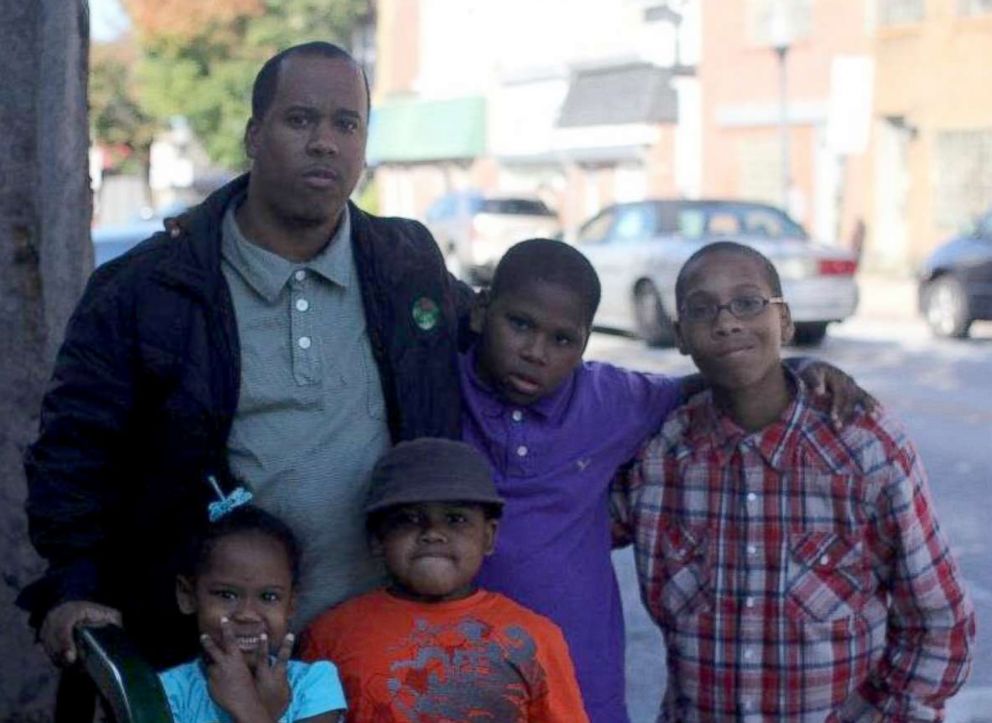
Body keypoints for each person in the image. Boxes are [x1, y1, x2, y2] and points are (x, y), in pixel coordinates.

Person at [19, 39, 467, 694]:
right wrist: (75, 589)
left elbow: (506, 341)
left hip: (383, 656)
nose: (325, 142)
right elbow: (75, 450)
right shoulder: (147, 288)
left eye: (346, 124)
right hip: (210, 664)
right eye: (300, 119)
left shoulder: (407, 263)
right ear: (255, 134)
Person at [459, 238, 872, 723]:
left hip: (580, 686)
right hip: (461, 677)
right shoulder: (429, 386)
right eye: (520, 324)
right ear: (482, 311)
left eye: (562, 339)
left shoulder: (608, 399)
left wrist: (797, 368)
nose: (535, 352)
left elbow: (700, 386)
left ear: (585, 343)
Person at [613, 241, 975, 720]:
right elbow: (559, 521)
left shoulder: (862, 448)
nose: (727, 323)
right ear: (681, 335)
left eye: (748, 303)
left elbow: (940, 621)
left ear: (784, 321)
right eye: (703, 310)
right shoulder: (658, 458)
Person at [300, 438, 588, 722]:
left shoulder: (535, 637)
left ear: (488, 536)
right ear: (377, 538)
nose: (433, 533)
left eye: (455, 519)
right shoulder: (331, 634)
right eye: (409, 519)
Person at [160, 504, 345, 722]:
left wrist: (250, 711)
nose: (247, 614)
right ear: (188, 596)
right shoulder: (165, 693)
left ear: (291, 605)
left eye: (269, 597)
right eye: (226, 595)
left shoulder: (312, 683)